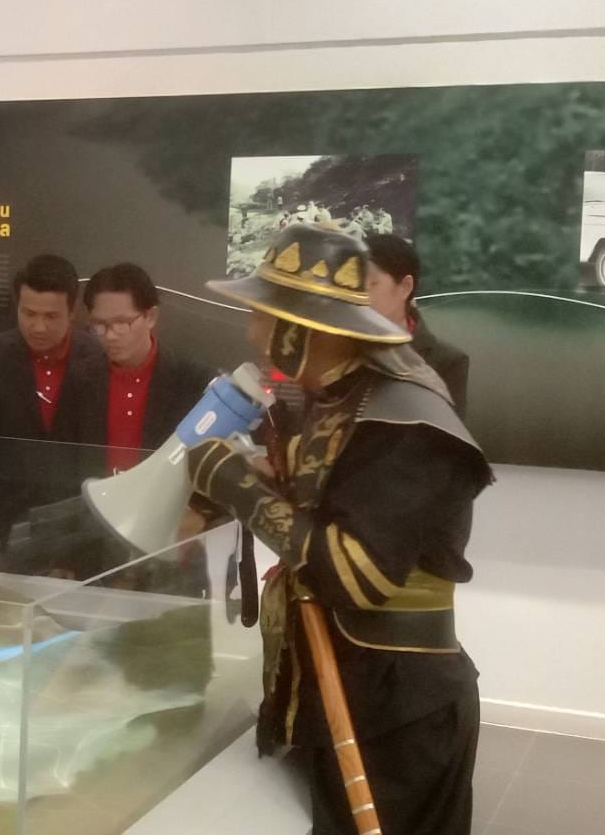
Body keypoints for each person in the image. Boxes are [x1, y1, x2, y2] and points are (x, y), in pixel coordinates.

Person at [193, 222, 492, 835]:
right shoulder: (348, 396)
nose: (253, 332)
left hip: (395, 710)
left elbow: (357, 574)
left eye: (264, 316)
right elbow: (327, 484)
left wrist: (238, 487)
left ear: (308, 328)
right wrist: (263, 472)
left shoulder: (404, 417)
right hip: (349, 691)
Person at [0, 254, 100, 570]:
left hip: (81, 523)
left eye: (51, 316)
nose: (38, 327)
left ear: (72, 312)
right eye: (29, 313)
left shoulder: (97, 356)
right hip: (9, 522)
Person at [60, 263, 212, 475]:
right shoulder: (78, 379)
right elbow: (63, 461)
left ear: (150, 317)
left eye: (122, 323)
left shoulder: (191, 381)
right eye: (99, 325)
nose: (110, 335)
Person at [365, 234, 470, 417]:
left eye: (371, 284)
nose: (359, 295)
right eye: (353, 286)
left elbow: (447, 431)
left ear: (405, 287)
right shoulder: (340, 349)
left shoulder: (446, 361)